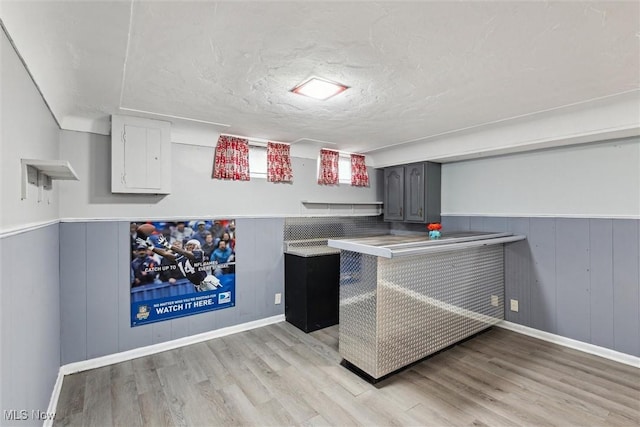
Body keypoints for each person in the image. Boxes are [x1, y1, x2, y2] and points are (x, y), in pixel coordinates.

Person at [137, 235, 220, 292]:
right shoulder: (180, 257)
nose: (190, 247)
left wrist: (167, 245)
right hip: (197, 285)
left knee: (218, 299)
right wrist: (151, 247)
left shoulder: (198, 253)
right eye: (189, 245)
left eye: (192, 245)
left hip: (207, 282)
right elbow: (165, 254)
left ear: (197, 247)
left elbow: (185, 253)